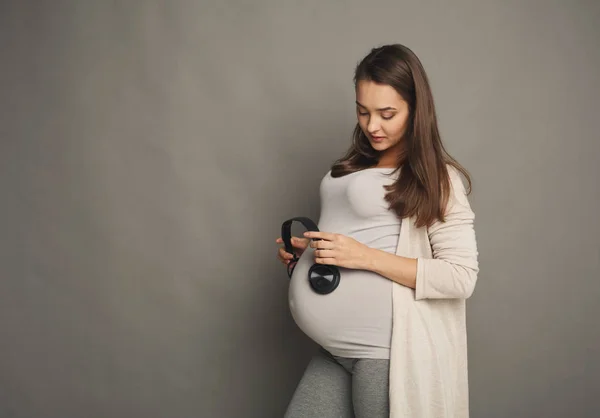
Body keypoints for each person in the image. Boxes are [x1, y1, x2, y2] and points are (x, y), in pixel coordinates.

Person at [275, 43, 479, 418]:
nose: (372, 126)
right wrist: (308, 257)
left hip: (385, 353)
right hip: (337, 351)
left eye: (387, 114)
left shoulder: (437, 179)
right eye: (363, 111)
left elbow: (461, 277)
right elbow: (359, 233)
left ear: (417, 110)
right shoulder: (357, 164)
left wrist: (363, 257)